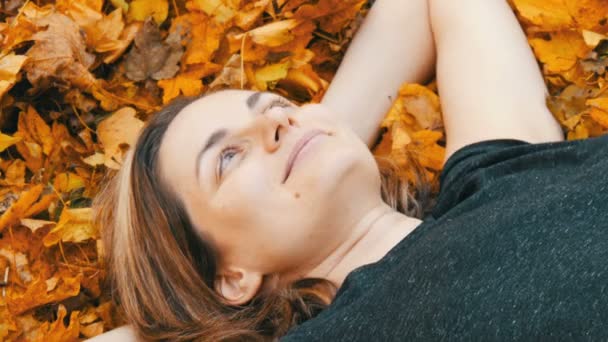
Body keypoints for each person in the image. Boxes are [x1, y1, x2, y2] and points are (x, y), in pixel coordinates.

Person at [92, 0, 608, 341]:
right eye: (227, 157)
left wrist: (307, 137)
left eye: (273, 103)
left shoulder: (497, 175)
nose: (277, 121)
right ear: (231, 277)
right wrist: (187, 318)